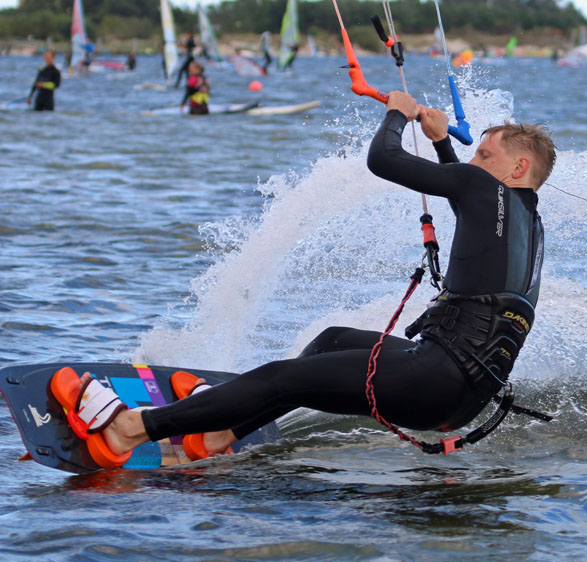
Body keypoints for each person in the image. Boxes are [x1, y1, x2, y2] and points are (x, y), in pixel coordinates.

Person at [53, 91, 556, 464]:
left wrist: (398, 113)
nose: (472, 164)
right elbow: (465, 193)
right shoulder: (529, 226)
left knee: (279, 379)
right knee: (329, 341)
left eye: (483, 155)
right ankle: (215, 437)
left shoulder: (481, 190)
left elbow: (384, 159)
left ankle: (130, 429)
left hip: (436, 376)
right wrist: (444, 143)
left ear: (518, 166)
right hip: (464, 397)